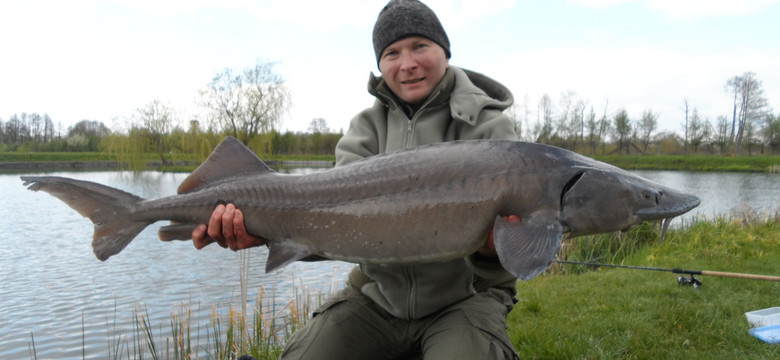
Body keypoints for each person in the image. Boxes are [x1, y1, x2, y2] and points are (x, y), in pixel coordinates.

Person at [193, 1, 521, 358]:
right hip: (376, 294)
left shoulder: (491, 127)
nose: (407, 63)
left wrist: (494, 249)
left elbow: (514, 254)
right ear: (380, 64)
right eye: (392, 52)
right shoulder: (364, 129)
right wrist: (265, 232)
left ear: (445, 51)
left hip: (467, 296)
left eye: (420, 46)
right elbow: (334, 229)